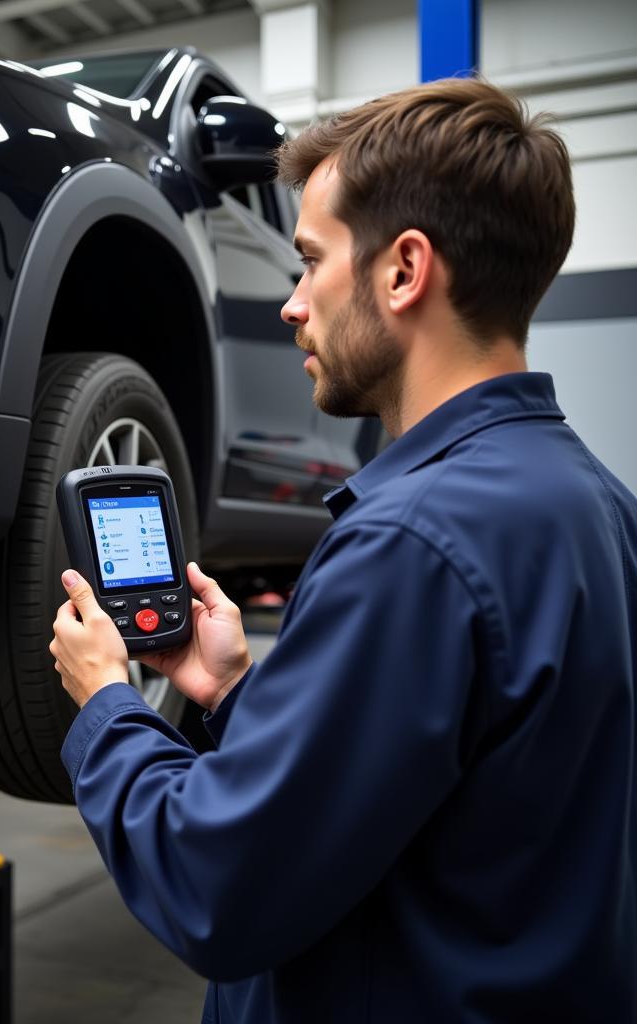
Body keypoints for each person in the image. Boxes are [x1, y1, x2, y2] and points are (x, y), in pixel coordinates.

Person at [49, 76, 636, 1023]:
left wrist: (109, 706)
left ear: (403, 271)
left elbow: (217, 884)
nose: (290, 306)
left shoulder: (414, 543)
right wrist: (238, 699)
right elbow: (434, 795)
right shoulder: (598, 505)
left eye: (309, 261)